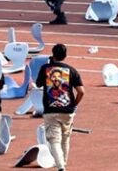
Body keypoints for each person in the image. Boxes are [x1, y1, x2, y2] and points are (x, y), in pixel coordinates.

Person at [35, 43, 84, 171]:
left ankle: (61, 167)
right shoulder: (72, 70)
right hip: (68, 111)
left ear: (53, 54)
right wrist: (74, 104)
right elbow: (81, 91)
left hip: (51, 111)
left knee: (54, 140)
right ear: (65, 55)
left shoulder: (45, 68)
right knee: (65, 139)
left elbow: (38, 84)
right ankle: (63, 164)